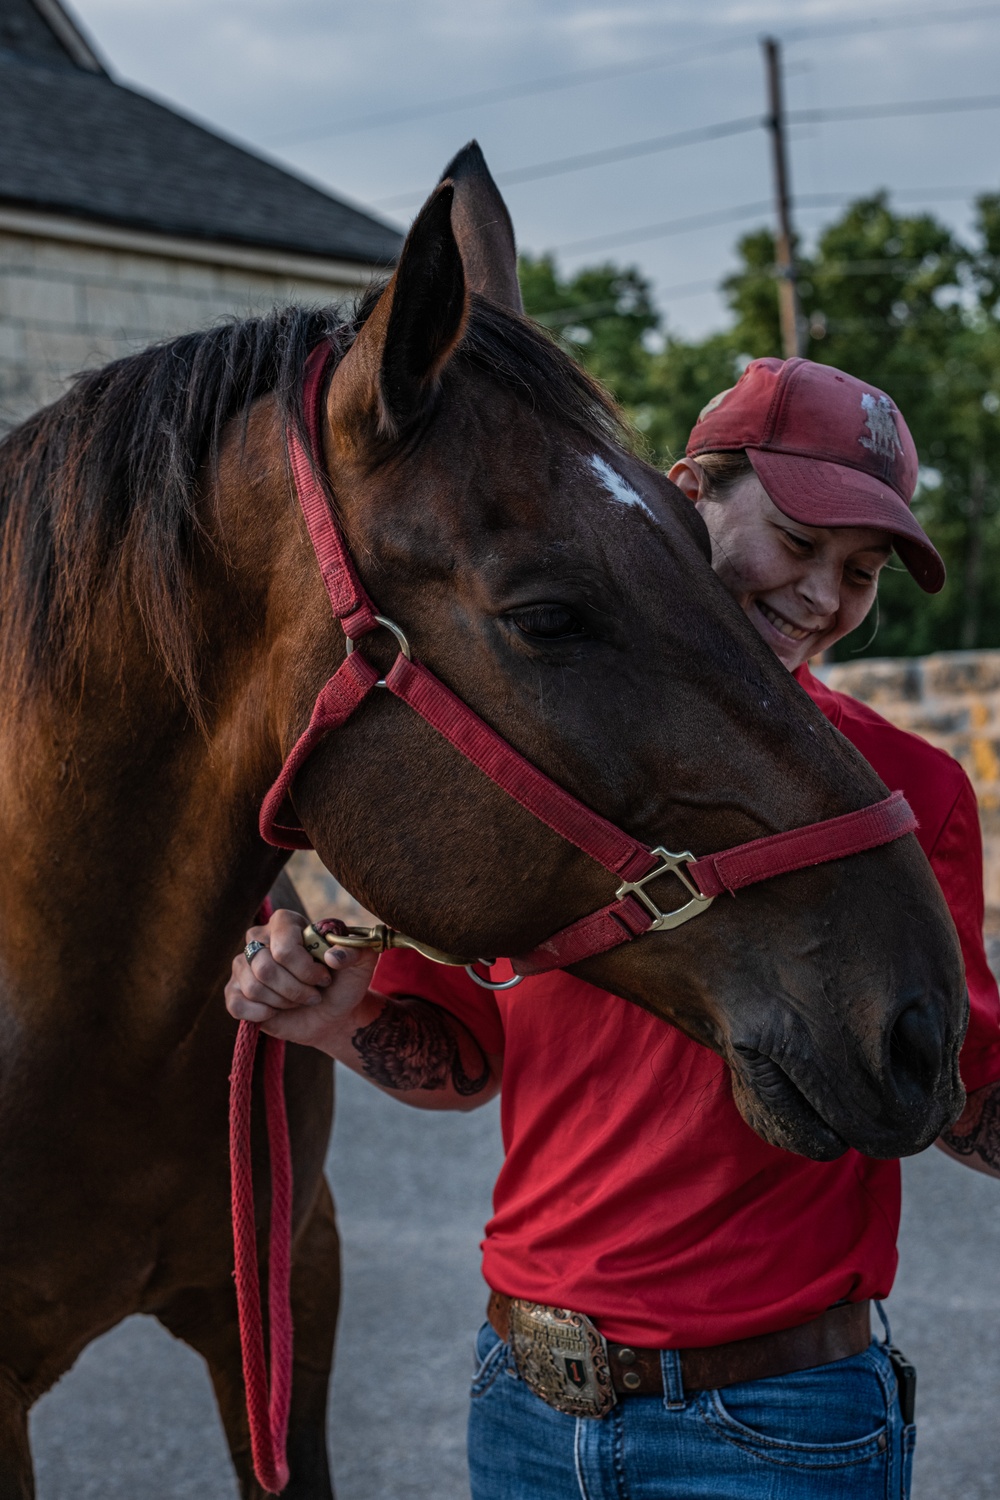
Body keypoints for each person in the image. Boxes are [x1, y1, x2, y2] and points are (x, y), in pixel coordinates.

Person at [226, 357, 1000, 1499]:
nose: (825, 596)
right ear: (684, 495)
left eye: (862, 571)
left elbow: (954, 1085)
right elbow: (469, 1067)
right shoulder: (528, 758)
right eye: (797, 542)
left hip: (778, 1416)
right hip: (526, 1397)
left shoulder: (902, 793)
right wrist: (343, 1020)